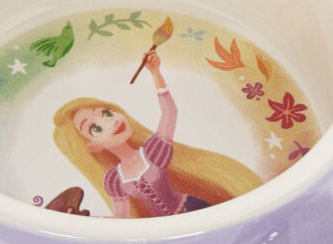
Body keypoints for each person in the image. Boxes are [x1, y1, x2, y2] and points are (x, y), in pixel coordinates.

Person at [53, 51, 262, 218]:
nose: (112, 121)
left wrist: (155, 73)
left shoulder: (153, 152)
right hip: (167, 229)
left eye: (107, 113)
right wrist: (84, 221)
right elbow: (122, 219)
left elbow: (170, 113)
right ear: (93, 147)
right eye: (95, 128)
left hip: (194, 211)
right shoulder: (114, 180)